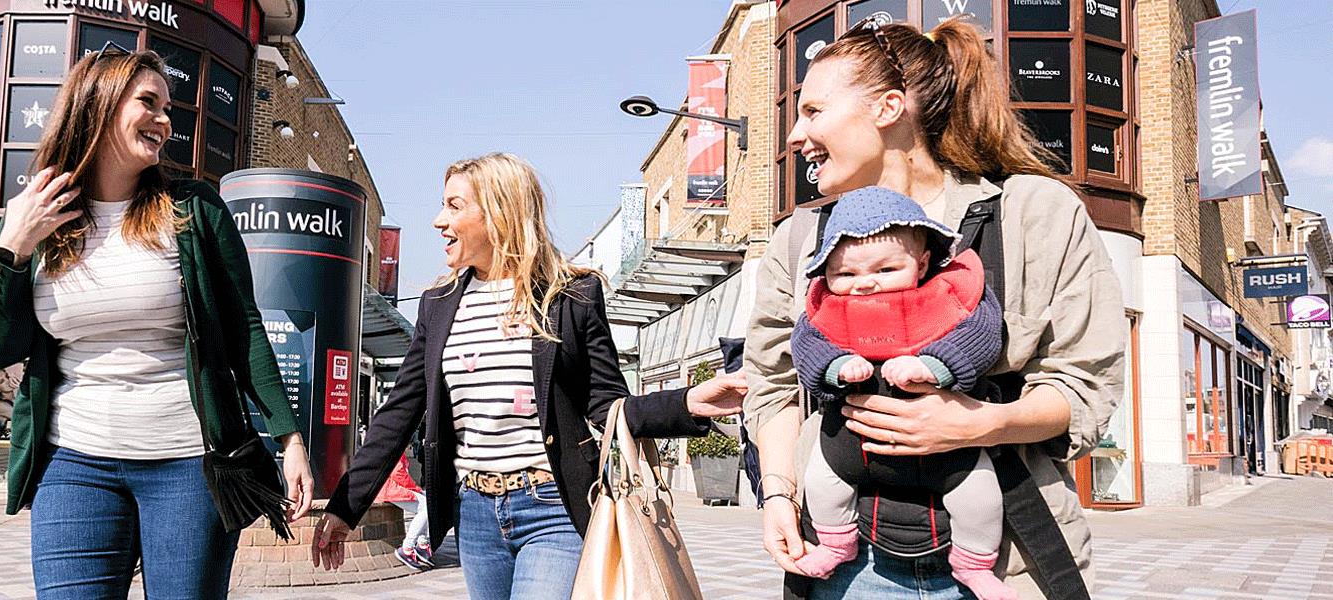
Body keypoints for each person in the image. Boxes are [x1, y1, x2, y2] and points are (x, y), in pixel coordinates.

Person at [743, 16, 1125, 600]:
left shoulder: (1033, 213)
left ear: (889, 107)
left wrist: (980, 423)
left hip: (1006, 564)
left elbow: (1085, 386)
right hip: (847, 566)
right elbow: (771, 384)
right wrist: (777, 494)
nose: (795, 135)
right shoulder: (799, 239)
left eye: (814, 111)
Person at [309, 152, 749, 600]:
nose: (439, 221)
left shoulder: (571, 296)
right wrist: (348, 505)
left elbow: (606, 405)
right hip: (475, 513)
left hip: (553, 508)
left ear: (500, 212)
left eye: (455, 206)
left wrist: (686, 403)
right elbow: (399, 412)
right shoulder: (438, 305)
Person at [0, 45, 313, 600]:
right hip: (73, 462)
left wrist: (289, 437)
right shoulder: (39, 215)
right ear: (98, 105)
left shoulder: (192, 209)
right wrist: (13, 246)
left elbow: (243, 327)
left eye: (168, 107)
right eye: (148, 102)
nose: (164, 119)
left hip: (187, 465)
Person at [788, 188, 1011, 599]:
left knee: (979, 494)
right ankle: (836, 543)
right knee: (822, 481)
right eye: (845, 275)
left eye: (886, 269)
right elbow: (806, 346)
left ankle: (975, 565)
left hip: (949, 450)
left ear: (922, 262)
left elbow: (981, 334)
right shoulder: (825, 307)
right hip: (851, 446)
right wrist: (835, 367)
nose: (865, 285)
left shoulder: (949, 294)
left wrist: (937, 366)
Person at [377, 454, 434, 571]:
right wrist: (415, 488)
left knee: (427, 503)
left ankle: (422, 545)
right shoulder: (394, 442)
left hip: (389, 486)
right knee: (426, 507)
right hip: (389, 488)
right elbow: (398, 474)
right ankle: (407, 549)